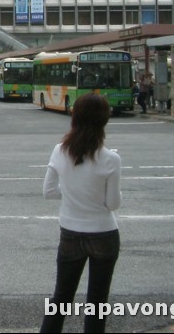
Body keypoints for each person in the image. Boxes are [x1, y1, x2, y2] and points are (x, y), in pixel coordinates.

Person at [40, 93, 122, 333]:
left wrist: (72, 192)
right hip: (104, 235)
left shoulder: (59, 150)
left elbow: (48, 191)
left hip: (71, 233)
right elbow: (113, 204)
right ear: (104, 121)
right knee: (97, 302)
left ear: (74, 117)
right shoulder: (111, 159)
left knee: (61, 297)